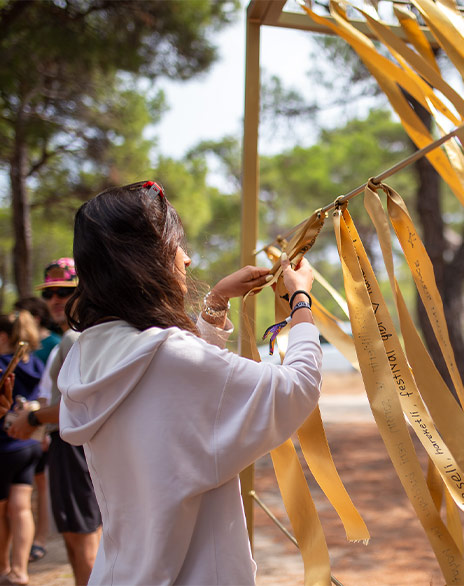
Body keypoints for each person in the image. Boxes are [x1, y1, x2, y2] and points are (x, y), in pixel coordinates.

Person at [57, 180, 322, 584]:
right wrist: (301, 300)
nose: (187, 259)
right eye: (175, 245)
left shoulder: (88, 353)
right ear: (148, 258)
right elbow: (297, 386)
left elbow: (173, 390)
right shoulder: (169, 358)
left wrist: (215, 304)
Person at [7, 258, 101, 585]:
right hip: (66, 444)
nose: (55, 300)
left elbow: (81, 405)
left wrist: (31, 417)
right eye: (49, 294)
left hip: (75, 446)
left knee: (84, 540)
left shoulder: (78, 338)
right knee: (77, 538)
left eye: (65, 291)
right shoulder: (71, 337)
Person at [10, 297, 58, 564]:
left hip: (28, 433)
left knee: (23, 497)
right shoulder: (34, 357)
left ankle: (37, 541)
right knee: (26, 497)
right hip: (34, 431)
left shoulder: (53, 345)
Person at [0, 310, 44, 586]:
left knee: (3, 508)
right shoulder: (35, 363)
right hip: (29, 443)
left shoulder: (4, 364)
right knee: (22, 507)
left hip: (5, 444)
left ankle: (3, 566)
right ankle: (20, 570)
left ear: (3, 336)